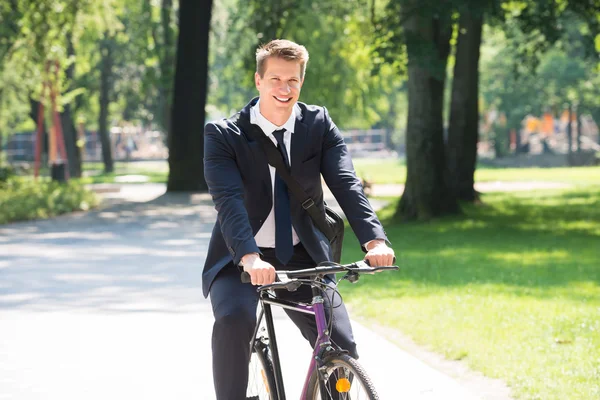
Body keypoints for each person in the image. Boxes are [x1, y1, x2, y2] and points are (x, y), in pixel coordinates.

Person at [203, 39, 395, 399]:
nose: (284, 88)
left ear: (301, 83)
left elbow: (347, 184)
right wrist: (249, 257)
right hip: (241, 257)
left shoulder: (317, 124)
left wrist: (375, 240)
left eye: (292, 80)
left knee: (340, 343)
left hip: (301, 254)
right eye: (275, 78)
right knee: (234, 321)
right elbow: (228, 201)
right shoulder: (224, 135)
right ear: (258, 81)